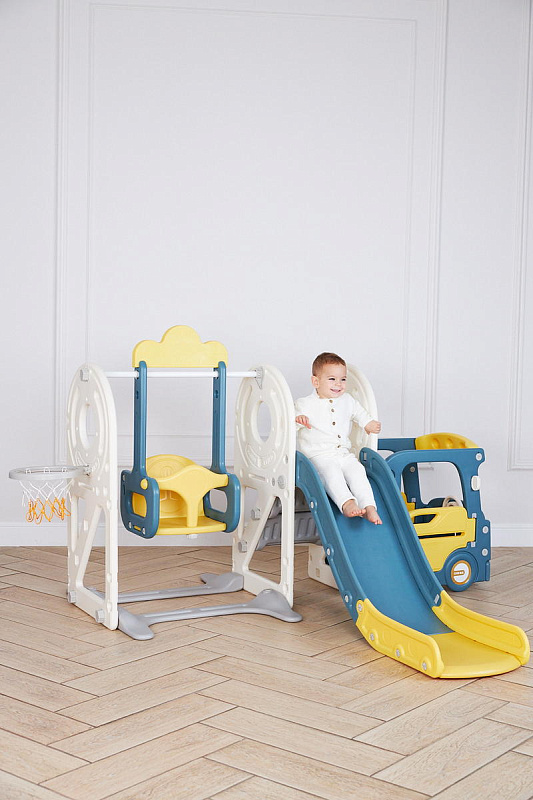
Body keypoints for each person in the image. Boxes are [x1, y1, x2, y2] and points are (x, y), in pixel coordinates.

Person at [295, 352, 382, 524]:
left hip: (343, 453)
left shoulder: (347, 400)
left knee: (358, 471)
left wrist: (368, 423)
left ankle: (369, 506)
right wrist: (298, 420)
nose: (338, 384)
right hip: (319, 455)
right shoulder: (305, 404)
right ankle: (347, 503)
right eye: (332, 379)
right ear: (316, 382)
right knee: (331, 473)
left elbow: (359, 413)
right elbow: (288, 426)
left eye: (343, 379)